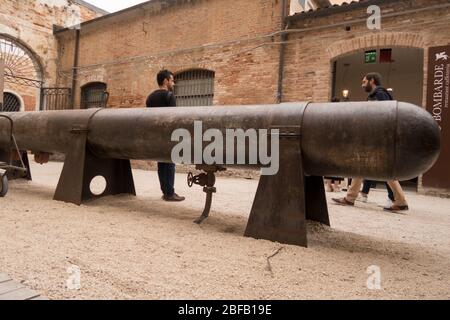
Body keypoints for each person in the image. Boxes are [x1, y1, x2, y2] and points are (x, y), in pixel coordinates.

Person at [332, 72, 409, 212]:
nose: (362, 84)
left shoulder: (380, 94)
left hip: (377, 139)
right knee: (368, 168)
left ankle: (350, 198)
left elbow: (384, 116)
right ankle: (400, 201)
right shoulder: (377, 95)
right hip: (376, 139)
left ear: (371, 81)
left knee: (370, 168)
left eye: (364, 81)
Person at [146, 70, 185, 202]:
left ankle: (165, 191)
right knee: (169, 164)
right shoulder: (169, 96)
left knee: (161, 164)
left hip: (156, 136)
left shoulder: (150, 98)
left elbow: (149, 119)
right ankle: (170, 193)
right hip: (168, 136)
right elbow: (172, 118)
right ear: (165, 81)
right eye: (172, 80)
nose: (173, 84)